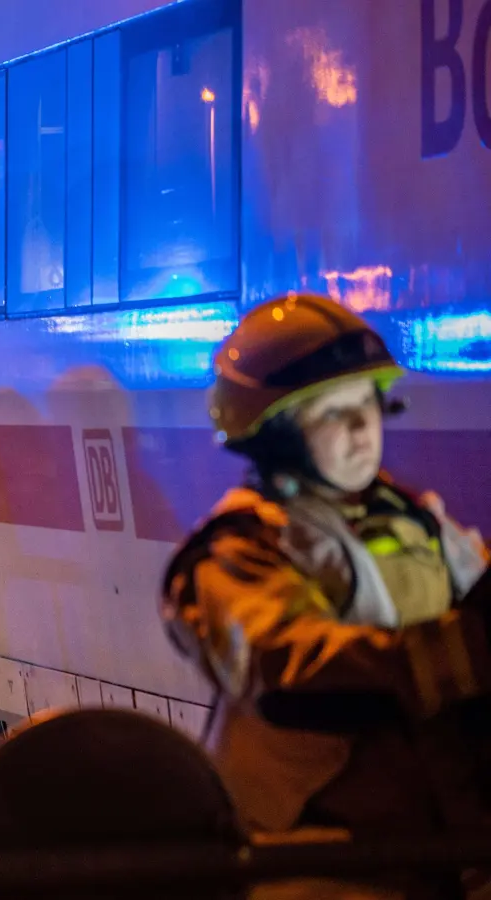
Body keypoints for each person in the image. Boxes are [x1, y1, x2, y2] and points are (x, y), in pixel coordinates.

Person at [163, 294, 491, 879]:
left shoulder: (415, 520)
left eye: (367, 402)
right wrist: (465, 649)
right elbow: (285, 670)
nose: (363, 427)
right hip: (314, 864)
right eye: (333, 412)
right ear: (275, 432)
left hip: (436, 854)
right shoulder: (240, 549)